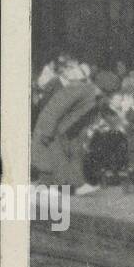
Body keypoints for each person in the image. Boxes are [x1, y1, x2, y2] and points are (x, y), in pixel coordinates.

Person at [30, 59, 102, 194]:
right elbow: (54, 110)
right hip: (52, 128)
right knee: (56, 156)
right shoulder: (78, 89)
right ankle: (55, 186)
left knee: (68, 154)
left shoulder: (79, 88)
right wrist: (47, 131)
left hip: (59, 127)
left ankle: (75, 184)